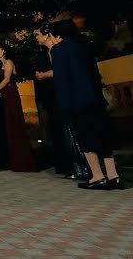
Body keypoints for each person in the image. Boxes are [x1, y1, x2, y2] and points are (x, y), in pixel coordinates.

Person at [45, 19, 123, 190]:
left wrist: (64, 105)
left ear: (57, 36)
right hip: (94, 98)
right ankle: (113, 175)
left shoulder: (58, 50)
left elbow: (61, 78)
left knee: (86, 139)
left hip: (76, 101)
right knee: (103, 136)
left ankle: (97, 176)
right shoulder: (85, 46)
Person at [34, 24, 91, 180]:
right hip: (54, 96)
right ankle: (71, 166)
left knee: (70, 131)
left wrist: (42, 75)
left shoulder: (56, 50)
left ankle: (80, 168)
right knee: (61, 132)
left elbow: (59, 71)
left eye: (38, 34)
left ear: (47, 35)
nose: (37, 38)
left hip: (62, 95)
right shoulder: (48, 51)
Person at [0, 42, 36, 172]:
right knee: (10, 125)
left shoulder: (9, 63)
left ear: (3, 51)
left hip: (11, 96)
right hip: (7, 95)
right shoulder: (3, 64)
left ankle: (22, 161)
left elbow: (6, 80)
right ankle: (15, 160)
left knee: (15, 123)